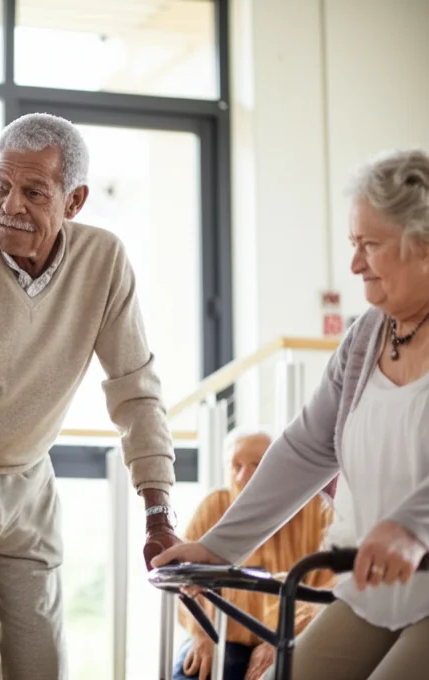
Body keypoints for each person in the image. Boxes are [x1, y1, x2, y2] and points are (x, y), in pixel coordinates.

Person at [0, 112, 180, 680]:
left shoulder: (105, 262)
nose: (9, 206)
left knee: (41, 663)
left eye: (33, 191)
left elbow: (136, 391)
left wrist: (158, 513)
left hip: (28, 485)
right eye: (1, 186)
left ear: (74, 201)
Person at [155, 148, 429, 680]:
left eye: (370, 246)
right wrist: (219, 545)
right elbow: (306, 447)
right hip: (372, 587)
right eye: (354, 244)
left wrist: (412, 526)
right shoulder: (367, 337)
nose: (354, 265)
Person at [173, 428, 333, 680]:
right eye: (236, 466)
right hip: (222, 636)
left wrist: (282, 639)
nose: (242, 476)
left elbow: (330, 590)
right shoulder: (214, 506)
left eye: (255, 466)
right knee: (197, 671)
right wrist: (203, 633)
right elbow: (188, 580)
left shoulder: (316, 510)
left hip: (295, 636)